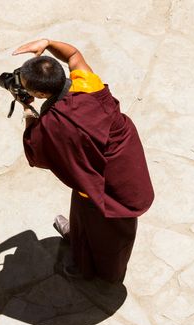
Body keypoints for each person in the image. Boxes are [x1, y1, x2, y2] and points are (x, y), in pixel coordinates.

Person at [12, 39, 154, 283]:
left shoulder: (52, 125)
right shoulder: (88, 85)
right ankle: (76, 238)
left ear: (42, 94)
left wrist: (27, 112)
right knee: (82, 213)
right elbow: (73, 54)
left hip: (110, 187)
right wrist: (47, 42)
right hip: (120, 162)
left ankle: (99, 273)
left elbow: (35, 153)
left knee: (108, 233)